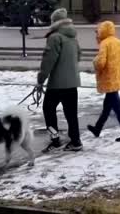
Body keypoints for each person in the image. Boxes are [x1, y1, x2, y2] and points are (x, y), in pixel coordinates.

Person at [37, 8, 83, 153]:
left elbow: (48, 61)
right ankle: (76, 141)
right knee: (71, 113)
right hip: (72, 82)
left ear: (54, 22)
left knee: (48, 110)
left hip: (57, 84)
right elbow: (79, 56)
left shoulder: (55, 37)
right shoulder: (73, 37)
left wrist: (40, 80)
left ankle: (55, 140)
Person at [87, 21, 120, 142]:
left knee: (118, 109)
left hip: (108, 79)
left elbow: (101, 62)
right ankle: (97, 128)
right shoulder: (119, 42)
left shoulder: (104, 43)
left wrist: (95, 62)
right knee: (107, 107)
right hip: (116, 78)